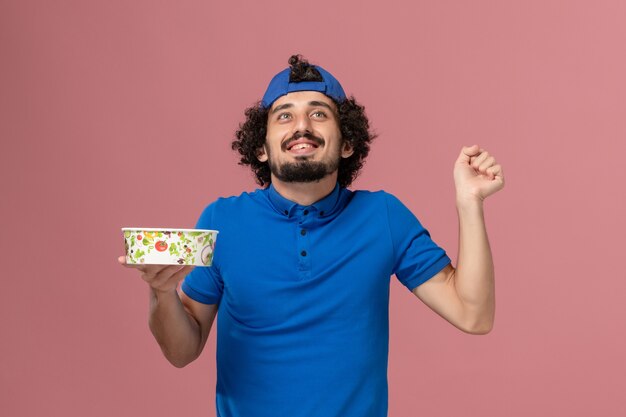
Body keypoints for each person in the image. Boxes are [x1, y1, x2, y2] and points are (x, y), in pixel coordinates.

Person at [119, 54, 505, 417]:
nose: (301, 126)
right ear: (261, 149)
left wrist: (469, 203)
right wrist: (162, 293)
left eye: (319, 114)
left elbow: (473, 314)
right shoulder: (222, 220)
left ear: (347, 143)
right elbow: (181, 351)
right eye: (284, 116)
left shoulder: (383, 216)